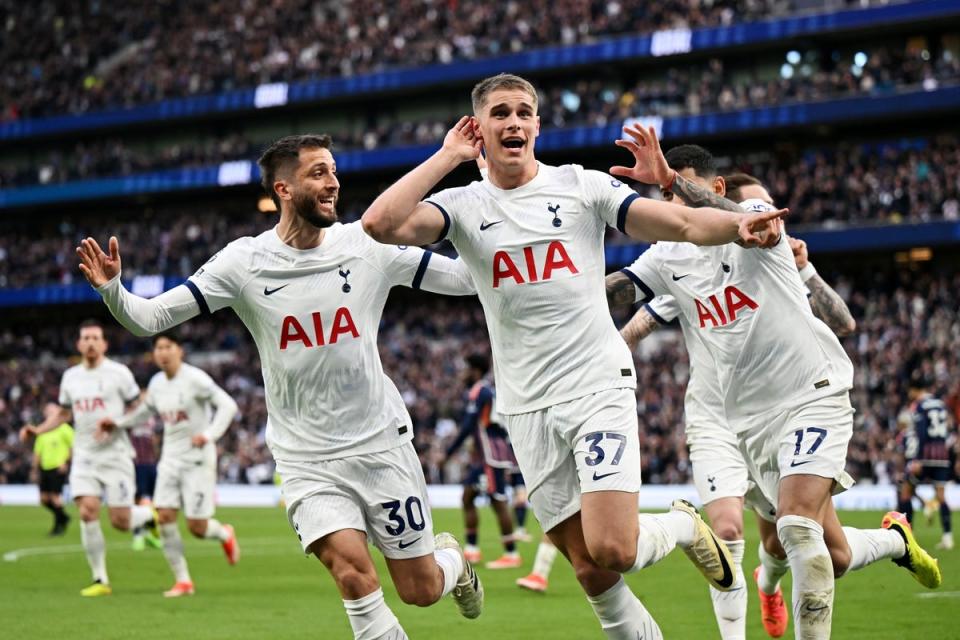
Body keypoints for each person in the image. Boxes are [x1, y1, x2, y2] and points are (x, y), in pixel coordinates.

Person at [361, 72, 788, 639]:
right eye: (500, 113)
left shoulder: (581, 187)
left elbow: (681, 223)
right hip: (525, 404)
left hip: (595, 385)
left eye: (523, 112)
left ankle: (684, 527)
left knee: (614, 547)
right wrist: (446, 156)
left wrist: (737, 225)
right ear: (478, 128)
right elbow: (378, 224)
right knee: (589, 569)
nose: (513, 122)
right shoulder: (461, 205)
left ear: (537, 125)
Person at [76, 133, 483, 638]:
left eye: (334, 170)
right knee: (353, 573)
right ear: (284, 189)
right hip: (305, 457)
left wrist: (479, 218)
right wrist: (113, 290)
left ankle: (454, 562)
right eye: (318, 173)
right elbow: (149, 317)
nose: (333, 182)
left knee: (419, 590)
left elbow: (467, 281)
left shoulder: (368, 246)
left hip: (381, 446)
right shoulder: (243, 262)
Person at [611, 123, 942, 639]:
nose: (672, 205)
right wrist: (546, 283)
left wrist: (671, 178)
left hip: (812, 394)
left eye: (678, 191)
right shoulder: (667, 255)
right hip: (747, 422)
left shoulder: (754, 224)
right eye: (664, 196)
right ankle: (896, 540)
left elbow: (758, 226)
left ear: (714, 189)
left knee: (794, 527)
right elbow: (620, 297)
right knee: (830, 556)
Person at [19, 319, 160, 597]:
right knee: (87, 511)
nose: (91, 342)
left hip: (117, 455)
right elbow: (62, 414)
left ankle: (148, 515)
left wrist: (117, 422)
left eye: (96, 338)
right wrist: (38, 429)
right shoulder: (71, 377)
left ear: (104, 344)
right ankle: (100, 580)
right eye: (86, 338)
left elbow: (140, 409)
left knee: (120, 521)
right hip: (84, 456)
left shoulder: (119, 373)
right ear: (79, 344)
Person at [97, 332, 241, 597]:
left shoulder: (196, 379)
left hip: (198, 459)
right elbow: (143, 413)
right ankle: (183, 581)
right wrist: (117, 423)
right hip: (170, 459)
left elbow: (228, 406)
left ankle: (224, 533)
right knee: (164, 517)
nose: (162, 352)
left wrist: (208, 435)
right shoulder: (156, 383)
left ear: (179, 351)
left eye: (167, 347)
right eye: (158, 348)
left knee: (197, 527)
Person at [443, 353, 522, 569]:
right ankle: (472, 550)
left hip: (491, 455)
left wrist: (449, 452)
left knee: (497, 501)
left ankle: (511, 554)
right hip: (488, 455)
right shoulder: (486, 390)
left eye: (465, 369)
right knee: (468, 496)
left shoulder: (480, 391)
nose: (461, 374)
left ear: (475, 371)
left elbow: (470, 424)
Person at [897, 373, 954, 550]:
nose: (909, 395)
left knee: (906, 491)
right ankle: (947, 537)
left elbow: (921, 433)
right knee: (941, 496)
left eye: (910, 391)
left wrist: (917, 459)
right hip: (942, 456)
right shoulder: (940, 404)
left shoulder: (920, 406)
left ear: (915, 390)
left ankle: (907, 536)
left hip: (925, 457)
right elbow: (948, 427)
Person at [29, 403, 73, 536]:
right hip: (45, 468)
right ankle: (63, 517)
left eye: (52, 410)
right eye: (47, 410)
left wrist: (66, 463)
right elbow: (37, 453)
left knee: (54, 497)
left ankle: (58, 526)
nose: (49, 412)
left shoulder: (64, 428)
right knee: (44, 499)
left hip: (58, 467)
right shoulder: (42, 430)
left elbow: (72, 446)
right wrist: (34, 469)